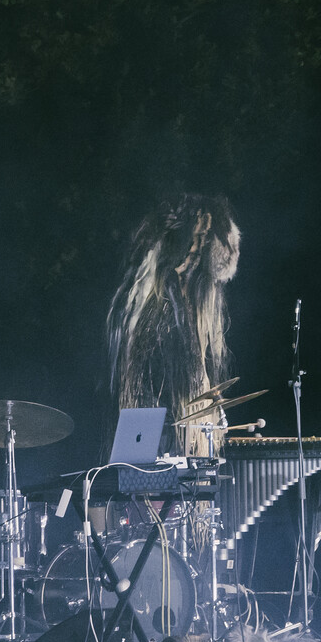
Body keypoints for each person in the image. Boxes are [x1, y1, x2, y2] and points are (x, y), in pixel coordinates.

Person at [105, 194, 240, 457]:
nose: (196, 253)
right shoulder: (154, 306)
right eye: (195, 241)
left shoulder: (198, 301)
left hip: (180, 435)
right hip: (152, 432)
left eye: (203, 244)